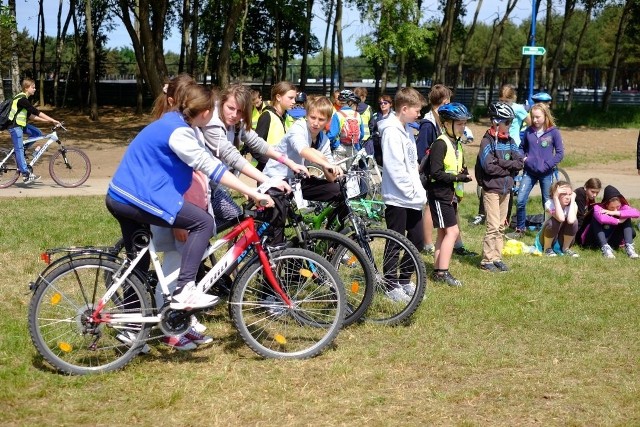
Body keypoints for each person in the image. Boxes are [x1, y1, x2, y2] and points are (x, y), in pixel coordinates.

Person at [106, 83, 273, 312]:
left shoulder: (175, 122)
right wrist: (253, 191)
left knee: (140, 263)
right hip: (136, 196)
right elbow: (210, 166)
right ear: (204, 112)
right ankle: (185, 290)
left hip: (123, 194)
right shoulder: (180, 132)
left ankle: (131, 327)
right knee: (203, 222)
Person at [378, 87, 427, 302]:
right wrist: (410, 190)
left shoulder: (406, 130)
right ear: (404, 108)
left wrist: (418, 190)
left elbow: (411, 163)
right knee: (395, 240)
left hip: (413, 197)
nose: (419, 114)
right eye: (416, 110)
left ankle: (405, 280)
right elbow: (394, 167)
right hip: (397, 197)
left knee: (416, 239)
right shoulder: (390, 131)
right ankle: (390, 284)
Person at [426, 102, 473, 287]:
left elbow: (455, 165)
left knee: (443, 233)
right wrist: (458, 177)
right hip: (439, 193)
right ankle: (443, 272)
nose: (463, 126)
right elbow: (435, 173)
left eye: (464, 123)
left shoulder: (456, 143)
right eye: (459, 123)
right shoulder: (441, 143)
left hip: (450, 194)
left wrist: (462, 172)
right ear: (446, 124)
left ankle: (438, 269)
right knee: (453, 232)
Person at [477, 102, 524, 272]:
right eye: (508, 122)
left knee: (502, 225)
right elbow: (488, 167)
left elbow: (519, 162)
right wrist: (508, 166)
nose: (511, 125)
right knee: (493, 225)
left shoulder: (510, 141)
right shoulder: (486, 141)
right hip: (491, 190)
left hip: (506, 189)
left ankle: (497, 257)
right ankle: (487, 261)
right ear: (497, 122)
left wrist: (502, 163)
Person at [511, 102, 564, 239]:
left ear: (545, 116)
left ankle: (548, 230)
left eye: (538, 117)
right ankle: (520, 229)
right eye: (533, 117)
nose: (534, 120)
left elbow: (559, 153)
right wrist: (523, 158)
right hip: (529, 172)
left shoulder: (554, 132)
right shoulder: (528, 131)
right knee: (521, 200)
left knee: (547, 203)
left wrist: (547, 165)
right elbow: (521, 148)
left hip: (546, 174)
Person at [7, 78, 61, 183]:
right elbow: (36, 112)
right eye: (33, 87)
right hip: (15, 126)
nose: (35, 89)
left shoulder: (23, 99)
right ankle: (26, 175)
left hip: (21, 125)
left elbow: (31, 116)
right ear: (27, 88)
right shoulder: (22, 99)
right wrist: (53, 120)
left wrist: (48, 122)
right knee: (19, 149)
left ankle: (21, 151)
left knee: (37, 133)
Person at [577, 185, 639, 258]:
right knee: (596, 218)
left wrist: (615, 213)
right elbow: (601, 219)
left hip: (611, 239)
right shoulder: (598, 208)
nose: (615, 209)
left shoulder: (622, 207)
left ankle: (629, 248)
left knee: (626, 217)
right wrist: (618, 221)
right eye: (612, 207)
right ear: (606, 204)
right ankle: (605, 248)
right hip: (593, 240)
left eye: (618, 207)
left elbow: (637, 213)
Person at [254, 81, 297, 171]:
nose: (294, 102)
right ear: (278, 97)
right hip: (268, 172)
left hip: (283, 170)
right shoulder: (267, 116)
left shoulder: (287, 116)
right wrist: (270, 162)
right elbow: (254, 147)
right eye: (290, 98)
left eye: (294, 98)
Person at [535, 180, 579, 257]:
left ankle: (565, 248)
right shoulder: (549, 204)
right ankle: (547, 248)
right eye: (564, 194)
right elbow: (560, 218)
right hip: (547, 238)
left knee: (574, 222)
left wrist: (573, 201)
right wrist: (555, 197)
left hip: (562, 238)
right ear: (555, 194)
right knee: (554, 221)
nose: (568, 197)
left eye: (569, 194)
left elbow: (571, 220)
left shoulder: (573, 205)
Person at [327, 89, 365, 166]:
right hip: (353, 148)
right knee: (351, 173)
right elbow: (362, 134)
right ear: (350, 102)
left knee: (339, 173)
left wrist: (331, 143)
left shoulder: (337, 115)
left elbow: (333, 134)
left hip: (340, 147)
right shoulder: (357, 115)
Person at [369, 94, 394, 166]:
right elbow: (371, 128)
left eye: (385, 103)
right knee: (380, 166)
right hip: (378, 145)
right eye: (381, 103)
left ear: (390, 104)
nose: (383, 105)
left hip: (390, 145)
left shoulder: (394, 116)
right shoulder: (375, 115)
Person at [354, 87, 373, 155]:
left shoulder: (352, 108)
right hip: (366, 140)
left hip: (354, 139)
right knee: (366, 162)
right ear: (362, 97)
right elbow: (371, 124)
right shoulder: (368, 108)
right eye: (365, 97)